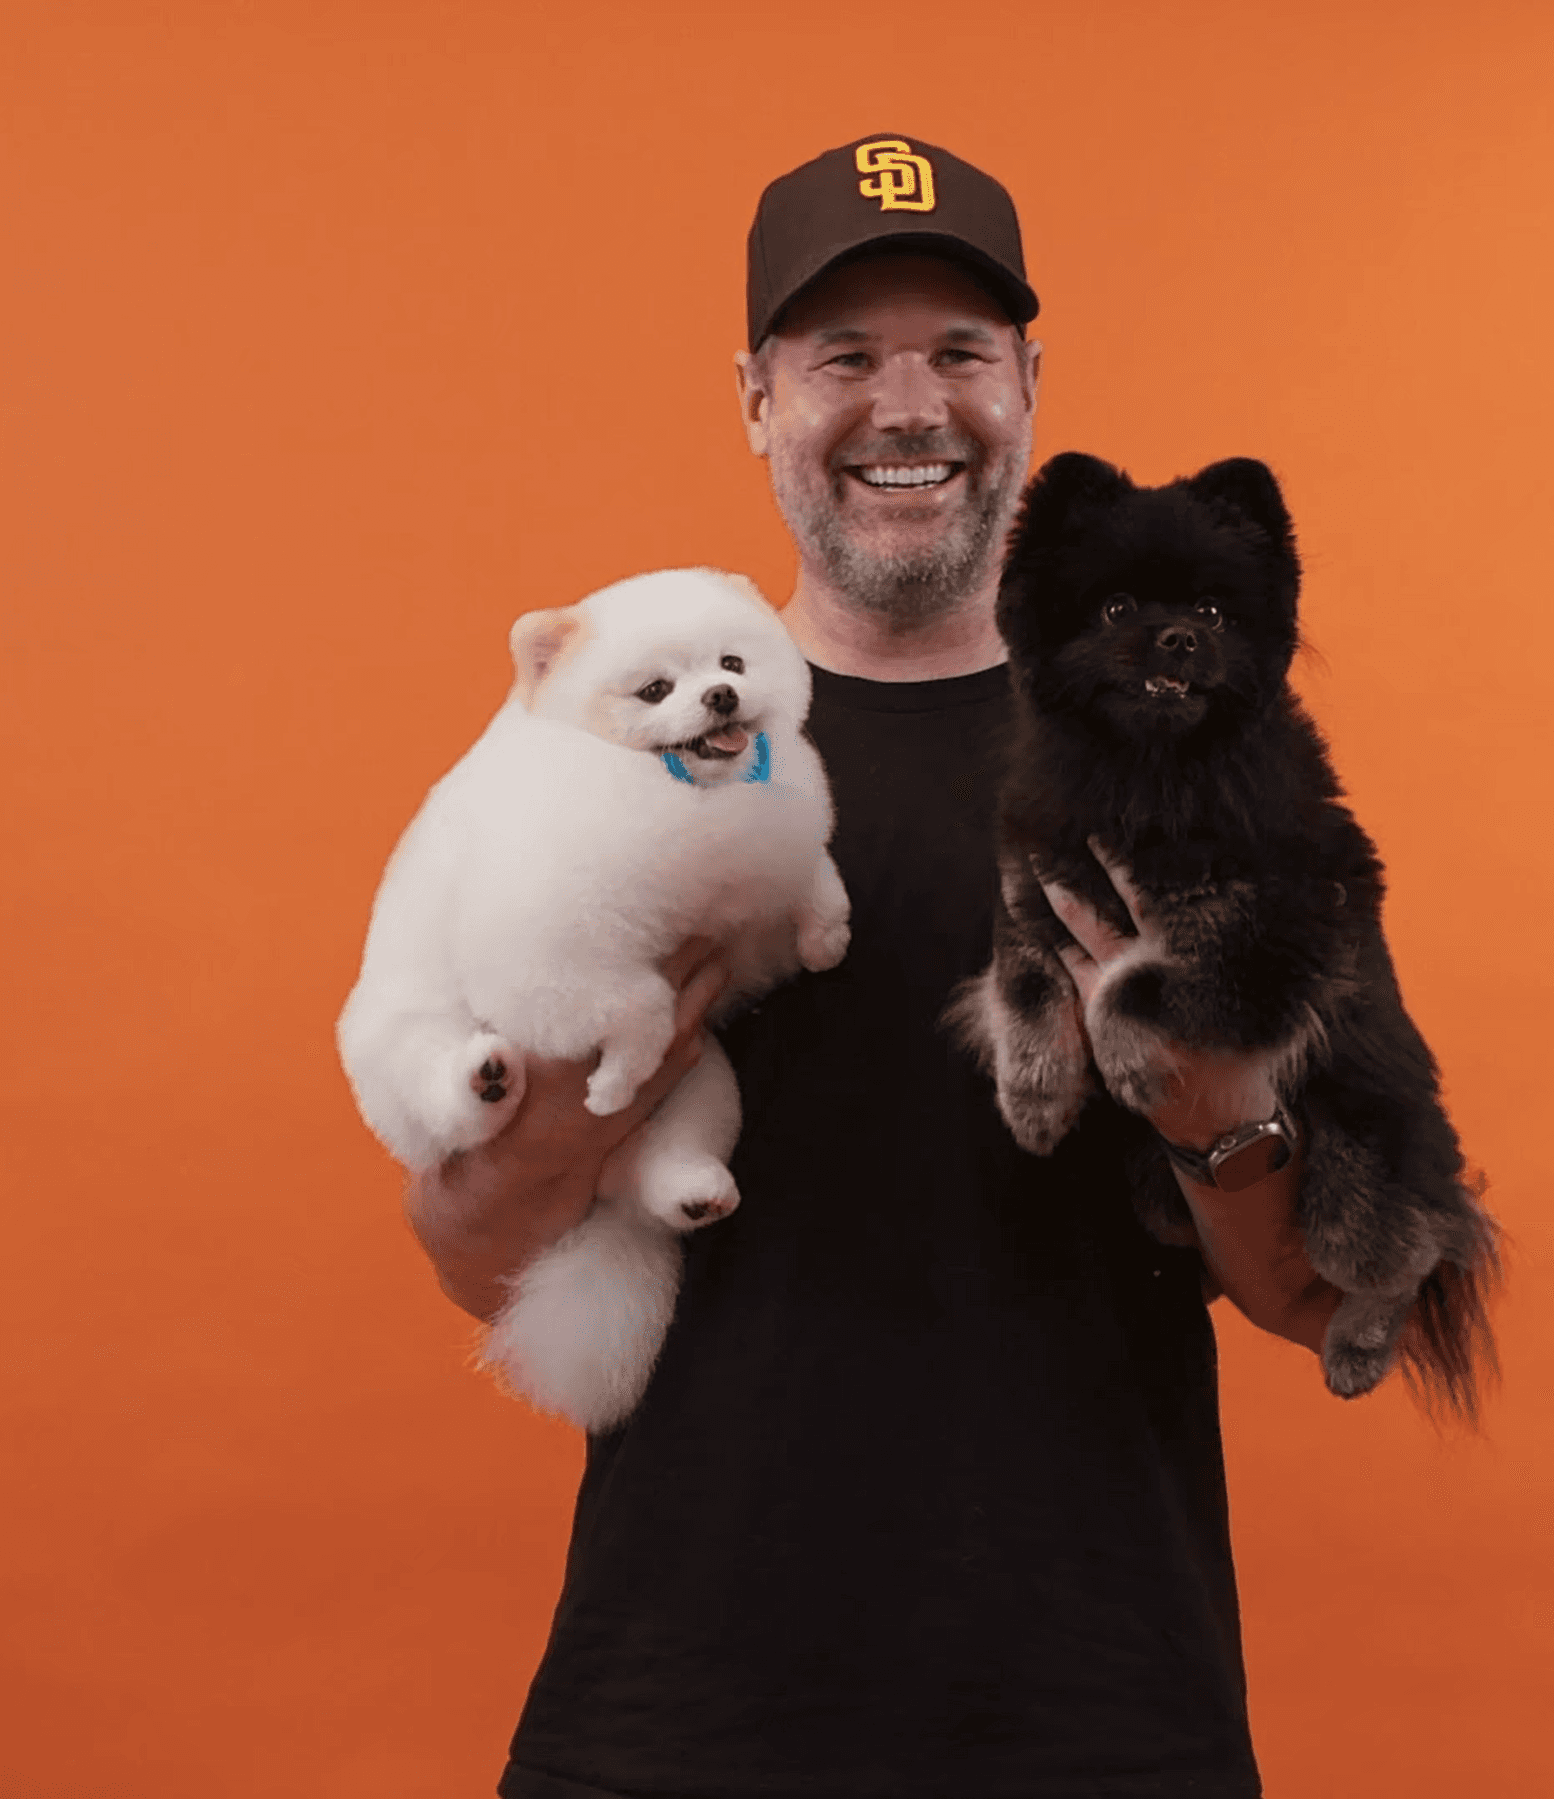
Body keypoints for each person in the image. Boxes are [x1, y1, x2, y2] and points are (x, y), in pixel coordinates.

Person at [409, 134, 1340, 1799]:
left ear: (1028, 385)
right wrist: (614, 1043)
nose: (908, 407)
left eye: (957, 354)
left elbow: (1314, 1295)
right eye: (844, 357)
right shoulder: (601, 740)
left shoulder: (1191, 754)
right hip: (676, 1725)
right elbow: (472, 1258)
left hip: (1099, 1719)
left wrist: (1213, 1108)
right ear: (754, 398)